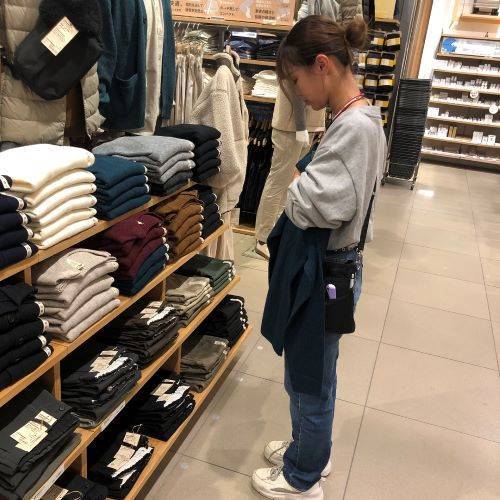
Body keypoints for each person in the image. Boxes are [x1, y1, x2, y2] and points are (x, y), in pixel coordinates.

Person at [252, 15, 387, 500]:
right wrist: (302, 181)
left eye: (297, 79)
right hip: (333, 268)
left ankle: (302, 475)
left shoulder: (353, 128)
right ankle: (308, 449)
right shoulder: (358, 117)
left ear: (322, 65)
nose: (298, 91)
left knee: (309, 376)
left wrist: (296, 183)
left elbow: (312, 204)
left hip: (326, 272)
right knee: (312, 369)